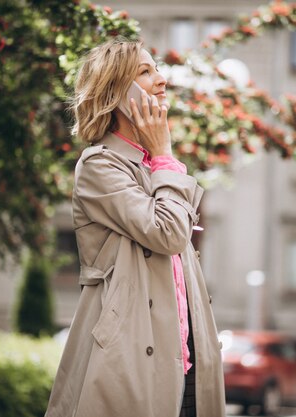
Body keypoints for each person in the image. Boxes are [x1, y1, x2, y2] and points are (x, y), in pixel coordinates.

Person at [45, 38, 225, 417]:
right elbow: (168, 233)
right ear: (115, 92)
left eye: (157, 68)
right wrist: (164, 155)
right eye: (145, 72)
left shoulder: (153, 168)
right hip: (132, 363)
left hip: (188, 363)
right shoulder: (99, 166)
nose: (161, 80)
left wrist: (160, 161)